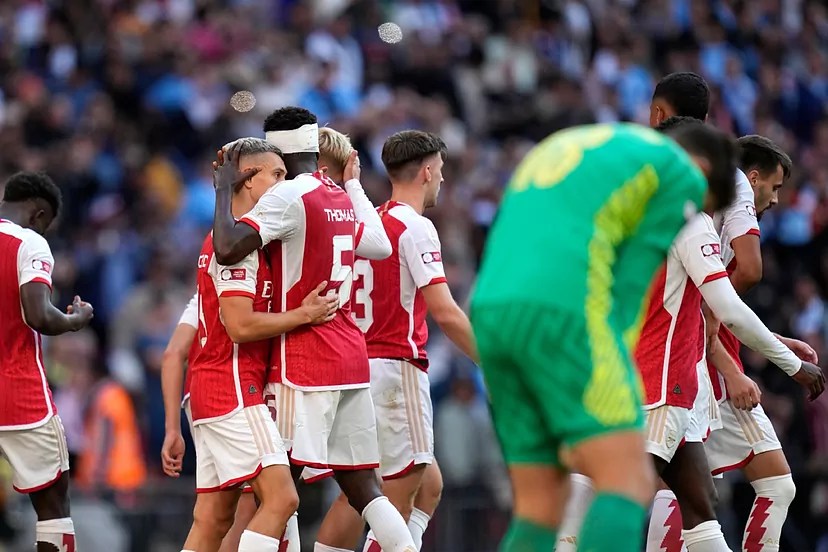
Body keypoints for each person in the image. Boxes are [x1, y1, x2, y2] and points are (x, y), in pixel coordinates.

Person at [471, 122, 737, 552]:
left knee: (539, 505)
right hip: (564, 313)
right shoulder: (678, 171)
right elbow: (631, 286)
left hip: (490, 310)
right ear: (703, 169)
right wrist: (618, 365)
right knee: (628, 480)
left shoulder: (574, 143)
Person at [211, 107, 417, 552]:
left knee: (276, 491)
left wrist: (224, 189)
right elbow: (377, 245)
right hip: (349, 353)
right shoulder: (338, 195)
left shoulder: (288, 197)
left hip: (303, 358)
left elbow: (227, 248)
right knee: (363, 485)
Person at [639, 72, 821, 552]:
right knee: (642, 491)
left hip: (671, 352)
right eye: (775, 187)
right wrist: (724, 346)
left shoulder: (649, 184)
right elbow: (745, 274)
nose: (775, 200)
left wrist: (767, 340)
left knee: (688, 495)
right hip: (678, 362)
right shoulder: (723, 187)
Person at [314, 130, 478, 552]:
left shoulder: (366, 222)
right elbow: (444, 311)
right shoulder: (415, 226)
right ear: (427, 172)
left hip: (355, 368)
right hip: (394, 368)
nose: (441, 181)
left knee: (398, 490)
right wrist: (491, 360)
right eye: (440, 172)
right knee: (396, 495)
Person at [183, 137, 338, 552]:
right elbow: (239, 325)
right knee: (283, 498)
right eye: (277, 174)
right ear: (248, 181)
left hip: (209, 388)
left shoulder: (236, 240)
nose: (285, 183)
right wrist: (305, 315)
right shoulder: (237, 252)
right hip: (233, 388)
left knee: (213, 520)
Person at [703, 135, 822, 552]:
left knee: (692, 487)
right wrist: (736, 370)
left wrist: (777, 341)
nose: (774, 200)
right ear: (752, 178)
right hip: (706, 370)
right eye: (773, 187)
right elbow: (724, 299)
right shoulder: (734, 196)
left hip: (706, 361)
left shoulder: (706, 226)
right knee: (698, 488)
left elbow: (715, 310)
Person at [0, 171, 94, 551]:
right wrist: (76, 321)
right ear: (39, 215)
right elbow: (38, 315)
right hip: (18, 391)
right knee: (54, 505)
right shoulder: (29, 242)